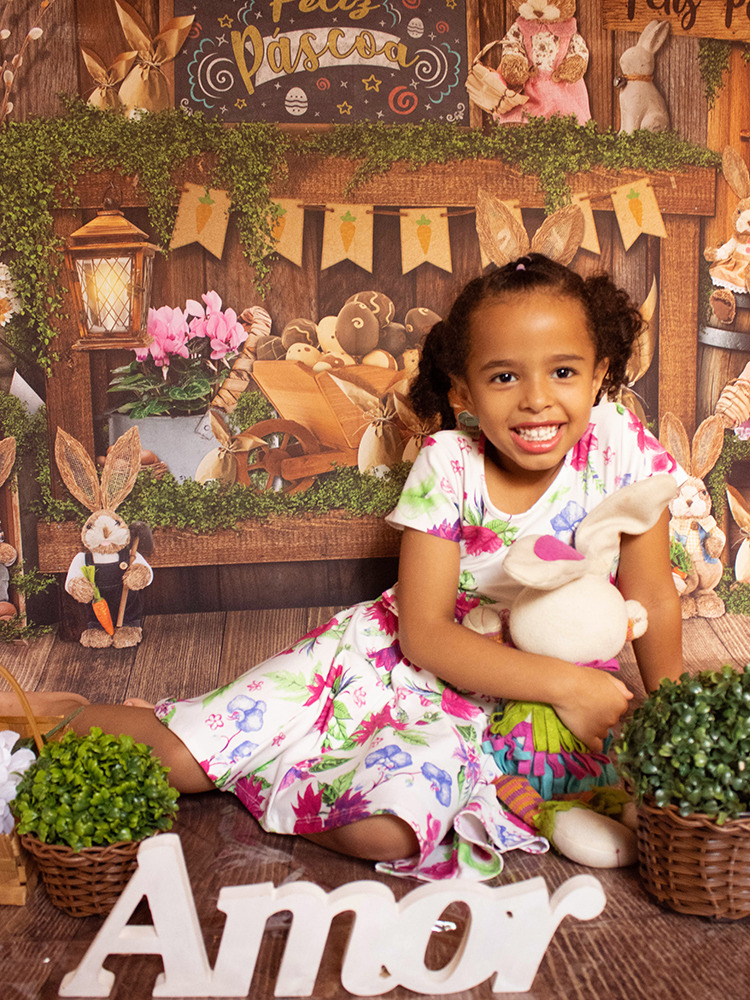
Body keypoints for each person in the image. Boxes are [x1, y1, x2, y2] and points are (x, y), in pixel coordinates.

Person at [4, 254, 685, 881]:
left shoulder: (624, 455)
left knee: (389, 833)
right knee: (184, 761)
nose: (537, 399)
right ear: (465, 389)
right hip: (382, 665)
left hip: (501, 718)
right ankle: (49, 713)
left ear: (599, 375)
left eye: (563, 372)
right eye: (505, 376)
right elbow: (423, 634)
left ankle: (287, 780)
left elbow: (651, 590)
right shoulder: (450, 463)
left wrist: (671, 713)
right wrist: (566, 683)